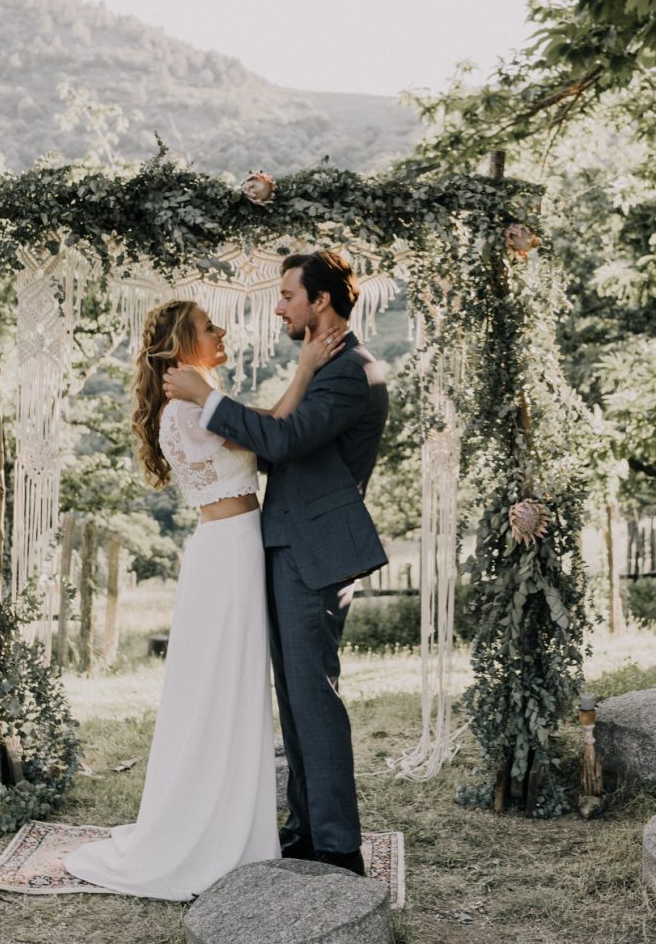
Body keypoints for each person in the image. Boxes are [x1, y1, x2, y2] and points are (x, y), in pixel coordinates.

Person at [64, 298, 344, 901]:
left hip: (238, 547)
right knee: (223, 687)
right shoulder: (187, 410)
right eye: (207, 327)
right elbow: (270, 433)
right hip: (227, 552)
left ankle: (238, 824)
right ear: (181, 346)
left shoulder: (201, 401)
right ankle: (214, 832)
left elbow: (263, 429)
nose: (220, 332)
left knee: (237, 686)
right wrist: (304, 370)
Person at [164, 250, 388, 877]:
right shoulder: (324, 364)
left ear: (319, 301)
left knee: (313, 698)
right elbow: (278, 437)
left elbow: (284, 441)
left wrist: (208, 401)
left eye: (288, 294)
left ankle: (339, 849)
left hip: (312, 552)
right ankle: (308, 828)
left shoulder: (350, 372)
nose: (279, 306)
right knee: (294, 697)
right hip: (288, 544)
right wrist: (235, 424)